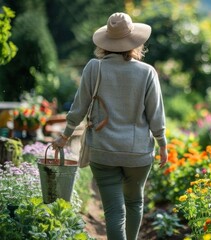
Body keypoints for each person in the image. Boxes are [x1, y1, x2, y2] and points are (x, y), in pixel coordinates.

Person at [52, 12, 168, 240]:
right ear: (135, 42)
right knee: (134, 202)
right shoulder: (147, 72)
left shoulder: (93, 68)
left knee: (114, 211)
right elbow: (156, 115)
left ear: (105, 42)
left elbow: (78, 108)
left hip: (103, 151)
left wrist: (64, 136)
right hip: (138, 153)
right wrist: (163, 144)